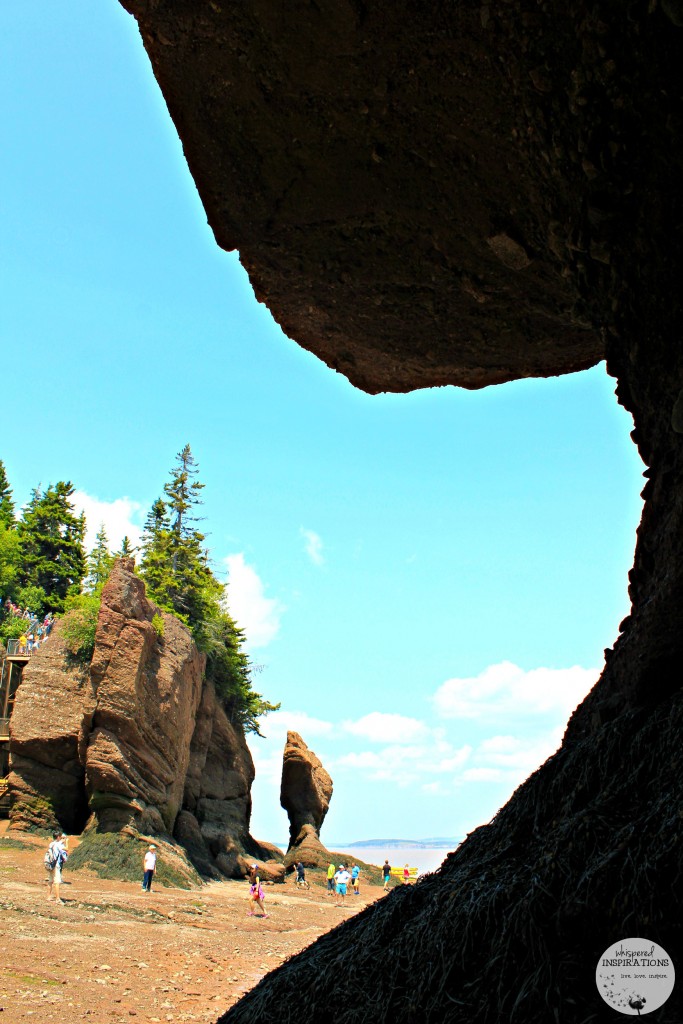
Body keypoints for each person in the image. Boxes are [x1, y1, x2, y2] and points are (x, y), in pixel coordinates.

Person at [46, 832, 68, 904]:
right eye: (61, 837)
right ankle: (58, 898)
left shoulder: (51, 844)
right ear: (58, 837)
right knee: (57, 881)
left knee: (50, 880)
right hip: (56, 865)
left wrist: (62, 840)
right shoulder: (59, 845)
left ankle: (48, 896)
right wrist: (66, 842)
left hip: (50, 864)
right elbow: (66, 849)